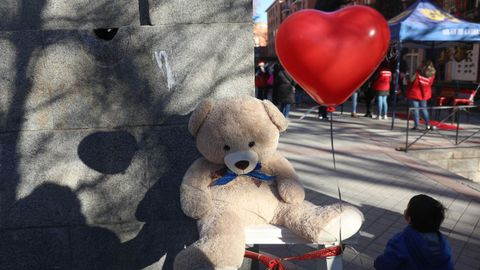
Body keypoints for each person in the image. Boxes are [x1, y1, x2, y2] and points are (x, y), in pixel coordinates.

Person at [374, 194, 453, 270]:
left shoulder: (401, 241)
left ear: (409, 218)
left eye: (408, 208)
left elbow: (386, 264)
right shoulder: (443, 244)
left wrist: (377, 262)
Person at [406, 60, 436, 130]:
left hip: (415, 93)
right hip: (424, 94)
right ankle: (428, 125)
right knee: (424, 109)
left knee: (415, 110)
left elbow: (410, 80)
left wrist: (407, 76)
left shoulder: (417, 73)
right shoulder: (432, 75)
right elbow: (430, 84)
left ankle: (416, 126)